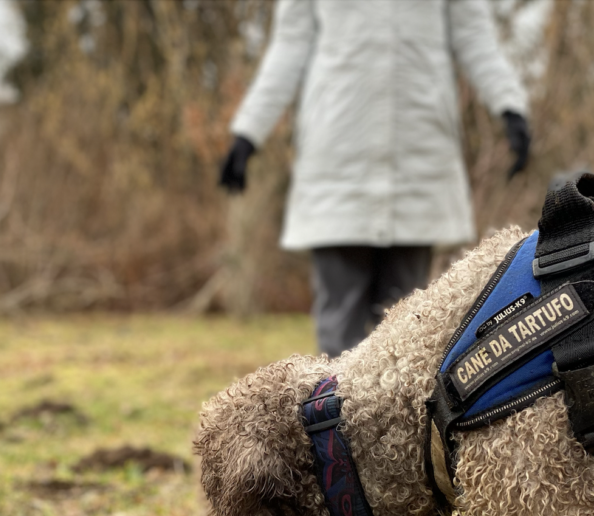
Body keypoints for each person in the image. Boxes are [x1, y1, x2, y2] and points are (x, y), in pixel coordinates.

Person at [220, 0, 530, 357]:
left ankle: (398, 414)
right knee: (339, 328)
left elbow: (475, 37)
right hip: (336, 164)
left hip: (419, 161)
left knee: (408, 330)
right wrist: (248, 133)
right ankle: (333, 411)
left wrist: (510, 106)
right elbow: (289, 47)